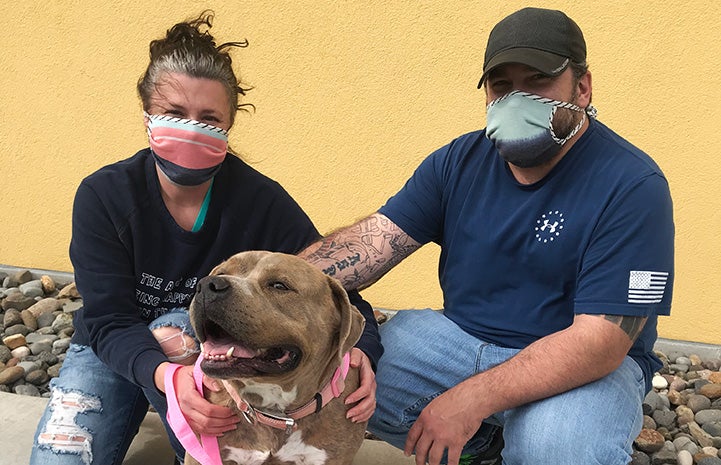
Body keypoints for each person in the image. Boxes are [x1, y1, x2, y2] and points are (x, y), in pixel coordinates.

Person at [300, 7, 674, 465]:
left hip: (583, 367)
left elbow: (599, 346)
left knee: (560, 449)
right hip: (460, 341)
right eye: (502, 86)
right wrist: (263, 287)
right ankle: (486, 449)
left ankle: (520, 438)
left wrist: (470, 401)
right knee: (347, 378)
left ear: (582, 87)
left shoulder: (632, 184)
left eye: (537, 81)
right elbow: (374, 242)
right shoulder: (458, 161)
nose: (517, 99)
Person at [29, 12, 381, 465]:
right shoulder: (105, 194)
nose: (191, 127)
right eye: (174, 114)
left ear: (229, 125)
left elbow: (338, 293)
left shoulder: (261, 200)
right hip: (116, 352)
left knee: (180, 328)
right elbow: (108, 319)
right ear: (147, 117)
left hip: (209, 353)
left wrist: (361, 354)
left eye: (209, 118)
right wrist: (166, 378)